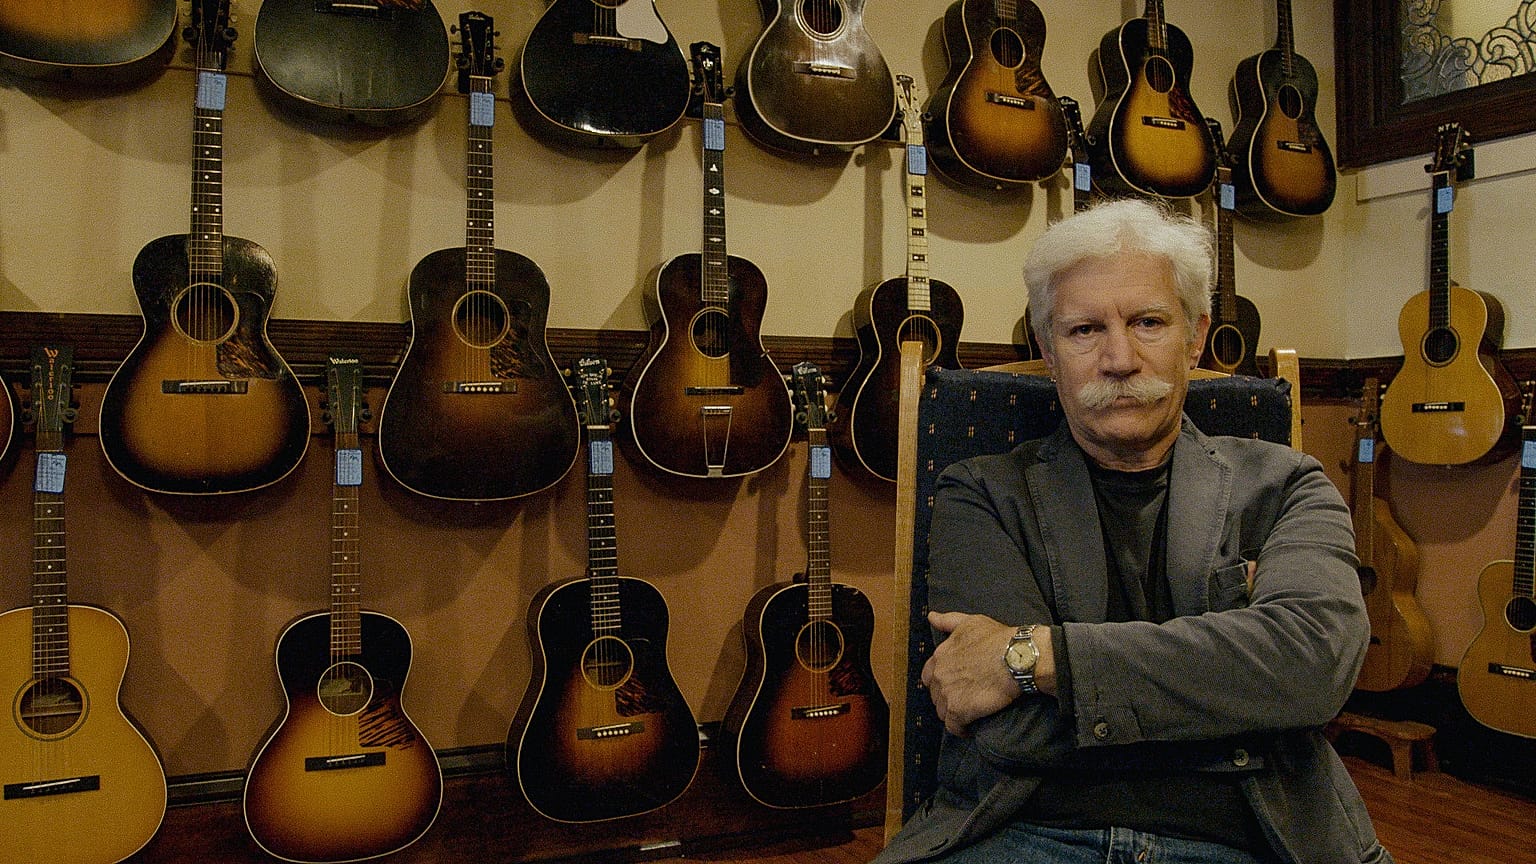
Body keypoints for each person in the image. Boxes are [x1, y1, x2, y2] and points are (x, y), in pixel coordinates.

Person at [874, 198, 1391, 864]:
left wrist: (1033, 658)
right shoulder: (981, 492)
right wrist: (1237, 695)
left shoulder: (1288, 484)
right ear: (1047, 349)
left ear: (1196, 335)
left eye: (1149, 322)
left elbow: (1314, 669)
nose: (1119, 358)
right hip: (1025, 830)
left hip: (1251, 838)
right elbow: (1006, 729)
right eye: (1085, 330)